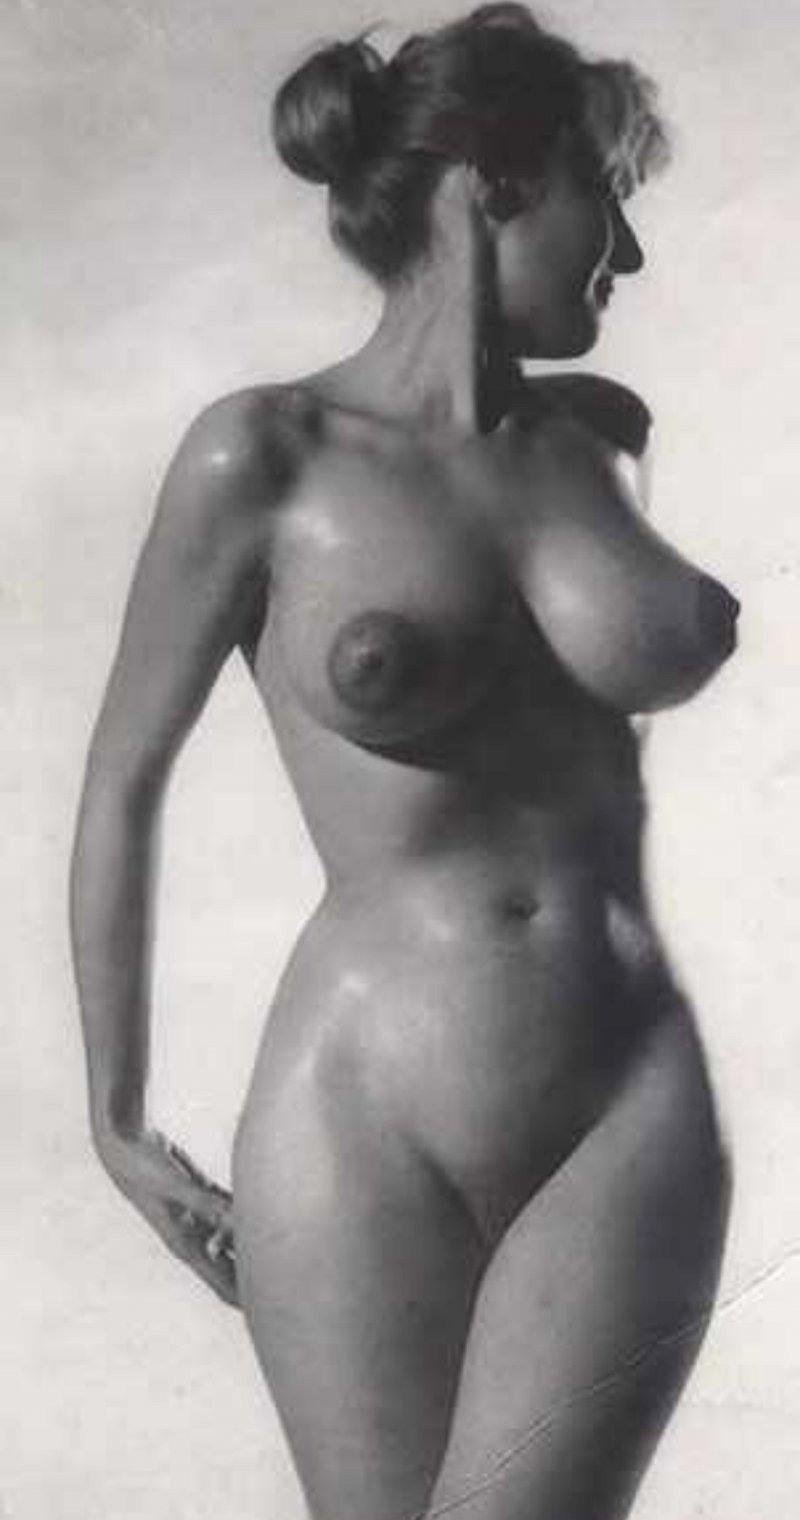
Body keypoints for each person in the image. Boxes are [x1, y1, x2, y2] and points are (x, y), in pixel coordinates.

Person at [70, 7, 740, 1518]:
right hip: (357, 1106)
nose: (630, 253)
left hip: (623, 1099)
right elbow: (122, 779)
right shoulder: (263, 456)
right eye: (609, 190)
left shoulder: (607, 444)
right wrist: (115, 1120)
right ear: (496, 179)